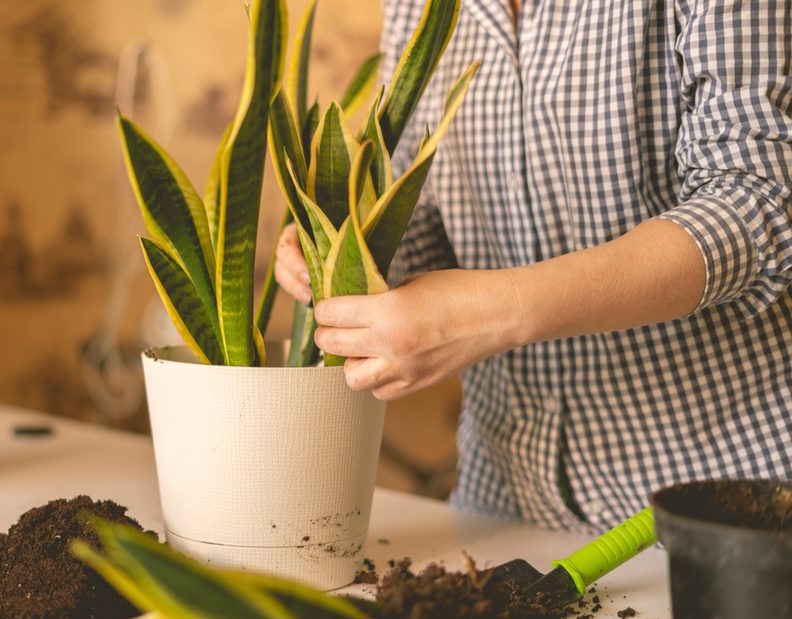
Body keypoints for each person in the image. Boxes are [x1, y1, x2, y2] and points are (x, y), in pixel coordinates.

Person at [274, 0, 792, 530]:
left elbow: (754, 206)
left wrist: (487, 313)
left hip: (719, 500)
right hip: (502, 499)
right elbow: (423, 212)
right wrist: (341, 251)